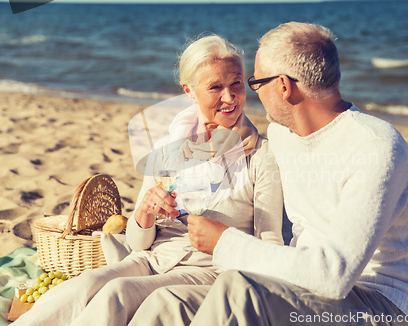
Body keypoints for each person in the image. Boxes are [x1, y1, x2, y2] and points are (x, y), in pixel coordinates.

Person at [129, 22, 408, 326]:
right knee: (168, 302)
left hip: (382, 305)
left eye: (254, 83)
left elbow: (334, 276)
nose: (250, 94)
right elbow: (244, 136)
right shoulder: (282, 136)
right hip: (304, 287)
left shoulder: (375, 146)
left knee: (236, 290)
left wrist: (223, 242)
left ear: (283, 86)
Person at [12, 35, 284, 326]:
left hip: (210, 268)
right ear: (189, 92)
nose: (229, 97)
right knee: (80, 288)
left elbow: (269, 243)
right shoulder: (170, 147)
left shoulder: (260, 155)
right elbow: (137, 243)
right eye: (215, 87)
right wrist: (144, 213)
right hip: (153, 258)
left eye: (237, 83)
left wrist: (221, 240)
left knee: (117, 292)